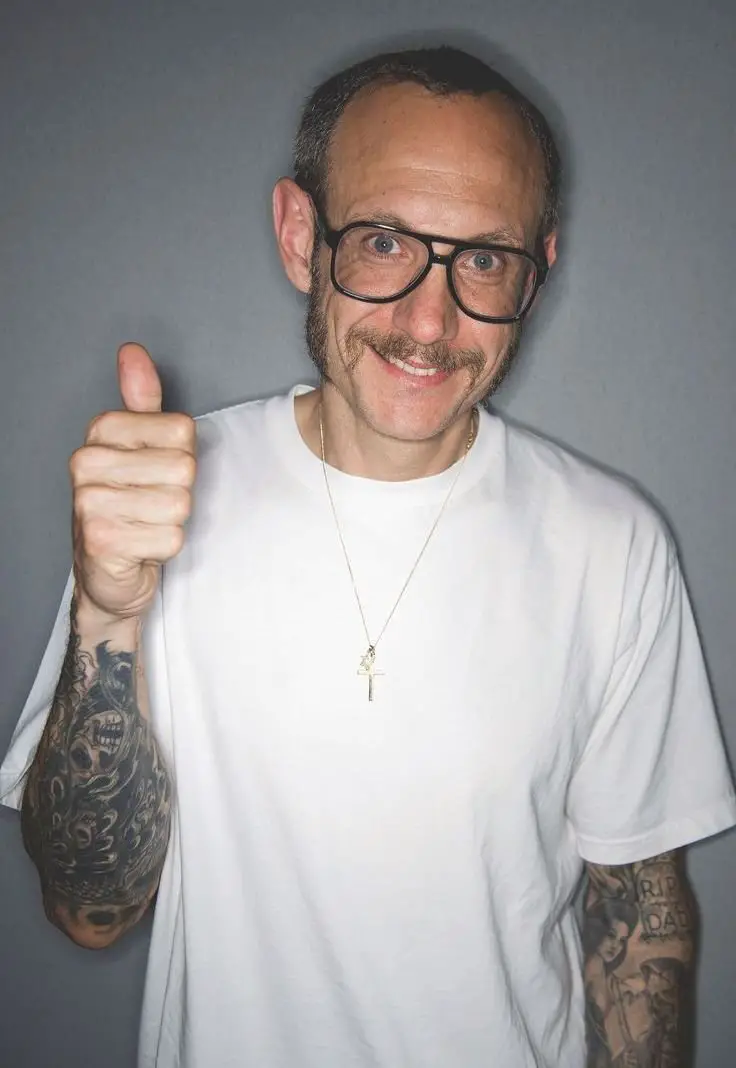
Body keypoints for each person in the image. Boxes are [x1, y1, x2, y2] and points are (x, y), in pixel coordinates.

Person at [1, 45, 734, 1068]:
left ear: (537, 270)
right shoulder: (161, 501)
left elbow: (640, 926)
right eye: (385, 241)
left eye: (483, 259)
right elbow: (91, 910)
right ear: (301, 235)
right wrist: (109, 610)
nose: (429, 325)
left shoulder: (612, 547)